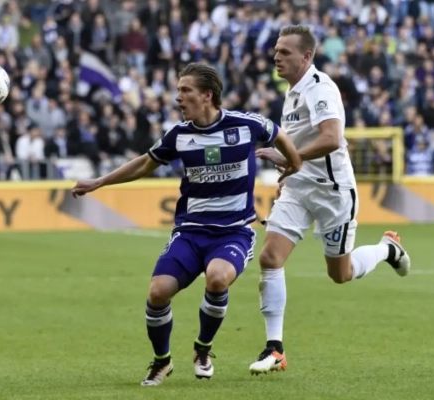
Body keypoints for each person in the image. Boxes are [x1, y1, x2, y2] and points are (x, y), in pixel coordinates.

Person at [71, 62, 302, 386]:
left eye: (185, 90)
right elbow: (144, 164)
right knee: (158, 292)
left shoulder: (246, 124)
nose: (178, 97)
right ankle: (162, 361)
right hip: (191, 232)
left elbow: (280, 135)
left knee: (218, 278)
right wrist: (100, 181)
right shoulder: (179, 135)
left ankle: (203, 349)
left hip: (233, 232)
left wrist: (293, 165)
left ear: (207, 95)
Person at [248, 25, 411, 374]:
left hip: (332, 192)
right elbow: (297, 143)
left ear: (306, 56)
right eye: (276, 50)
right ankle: (275, 349)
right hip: (298, 188)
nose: (276, 57)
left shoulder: (320, 87)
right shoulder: (292, 93)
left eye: (285, 52)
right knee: (270, 257)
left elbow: (332, 138)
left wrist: (289, 159)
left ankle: (386, 250)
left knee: (341, 273)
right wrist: (288, 175)